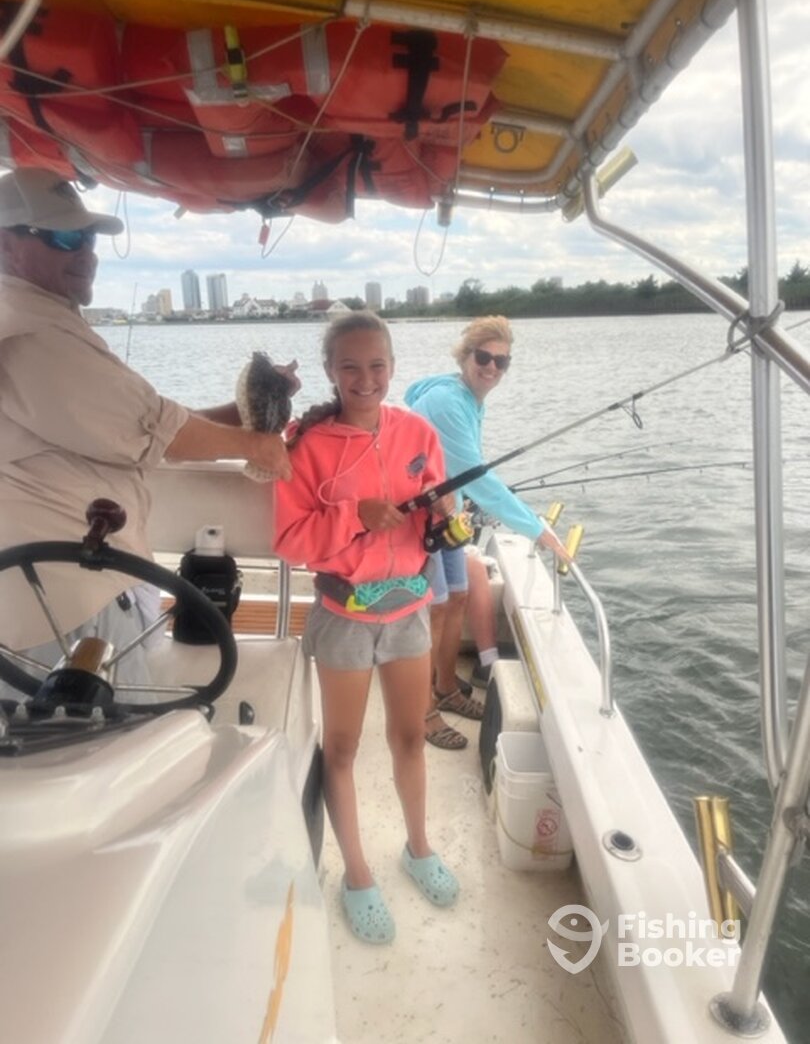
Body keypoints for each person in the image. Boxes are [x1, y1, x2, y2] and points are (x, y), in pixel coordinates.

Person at [0, 167, 291, 694]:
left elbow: (141, 422)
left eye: (88, 237)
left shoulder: (34, 318)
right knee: (98, 737)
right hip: (71, 606)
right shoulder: (33, 332)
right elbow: (156, 430)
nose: (85, 252)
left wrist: (240, 410)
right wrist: (257, 446)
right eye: (63, 237)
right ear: (6, 243)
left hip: (42, 598)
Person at [273, 311, 459, 944]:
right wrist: (356, 515)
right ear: (330, 370)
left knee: (410, 737)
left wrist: (444, 515)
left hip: (408, 613)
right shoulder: (304, 445)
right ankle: (356, 875)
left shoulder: (419, 433)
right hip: (344, 618)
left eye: (377, 365)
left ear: (393, 367)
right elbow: (290, 539)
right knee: (343, 749)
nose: (365, 378)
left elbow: (441, 506)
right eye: (350, 367)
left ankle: (419, 847)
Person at [405, 315, 568, 749]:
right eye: (483, 357)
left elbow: (460, 471)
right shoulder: (446, 400)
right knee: (435, 609)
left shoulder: (470, 398)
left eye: (502, 361)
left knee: (457, 596)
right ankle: (422, 711)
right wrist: (538, 530)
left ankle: (445, 686)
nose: (492, 368)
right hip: (419, 520)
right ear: (465, 357)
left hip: (448, 516)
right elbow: (479, 478)